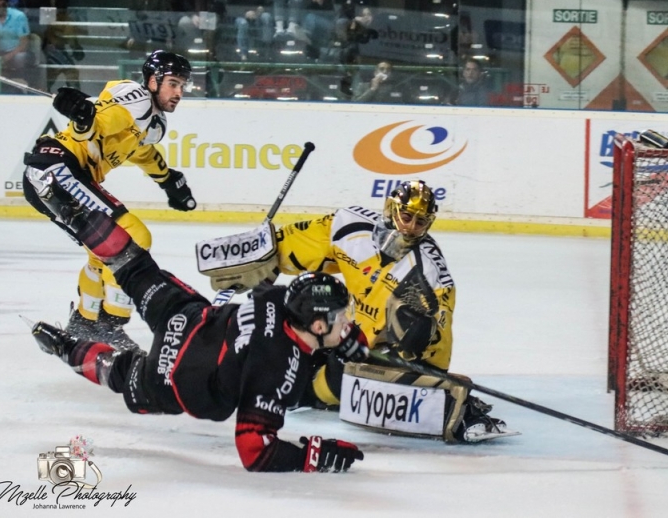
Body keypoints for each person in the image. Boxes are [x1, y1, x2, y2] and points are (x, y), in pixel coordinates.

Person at [26, 184, 366, 473]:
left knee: (132, 264)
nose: (348, 323)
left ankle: (76, 214)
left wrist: (343, 338)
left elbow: (269, 294)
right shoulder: (277, 369)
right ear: (318, 324)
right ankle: (62, 346)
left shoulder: (278, 297)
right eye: (342, 317)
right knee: (116, 370)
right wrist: (312, 457)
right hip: (177, 378)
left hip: (187, 319)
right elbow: (255, 451)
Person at [203, 180, 511, 442]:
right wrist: (263, 257)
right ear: (392, 209)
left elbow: (439, 341)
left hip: (373, 354)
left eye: (420, 221)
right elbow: (298, 245)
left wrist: (423, 338)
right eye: (407, 215)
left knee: (315, 388)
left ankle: (446, 406)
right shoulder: (349, 226)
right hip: (340, 331)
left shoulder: (429, 273)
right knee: (289, 313)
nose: (412, 226)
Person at [21, 50, 197, 351]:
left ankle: (85, 321)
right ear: (153, 81)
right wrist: (82, 116)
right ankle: (109, 324)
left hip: (50, 175)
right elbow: (95, 126)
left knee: (102, 252)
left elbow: (141, 152)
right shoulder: (136, 99)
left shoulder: (152, 121)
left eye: (183, 85)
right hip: (57, 168)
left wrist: (167, 179)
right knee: (132, 237)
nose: (179, 92)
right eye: (173, 83)